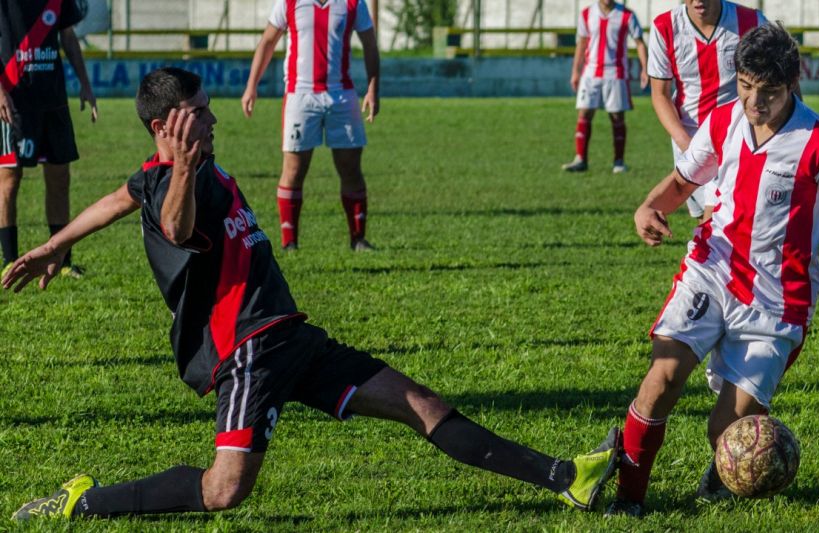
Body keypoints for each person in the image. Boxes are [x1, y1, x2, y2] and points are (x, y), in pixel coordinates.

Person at [4, 68, 619, 522]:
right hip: (246, 351)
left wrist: (55, 243)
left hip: (289, 337)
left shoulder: (171, 171)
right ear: (167, 127)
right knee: (224, 491)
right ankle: (84, 503)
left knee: (420, 404)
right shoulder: (180, 182)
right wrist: (185, 171)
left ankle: (566, 477)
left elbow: (120, 196)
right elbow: (173, 224)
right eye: (200, 113)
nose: (213, 119)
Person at [604, 24, 819, 517]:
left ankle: (724, 472)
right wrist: (648, 206)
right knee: (661, 379)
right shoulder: (723, 122)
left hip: (777, 301)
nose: (753, 102)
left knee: (727, 431)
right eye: (745, 87)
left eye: (767, 92)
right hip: (711, 272)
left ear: (792, 84)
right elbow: (684, 180)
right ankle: (629, 499)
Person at [242, 0, 378, 252]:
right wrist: (252, 86)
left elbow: (370, 43)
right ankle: (289, 243)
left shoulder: (353, 3)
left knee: (350, 167)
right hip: (300, 96)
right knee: (294, 169)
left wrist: (372, 88)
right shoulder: (289, 2)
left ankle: (358, 239)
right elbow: (268, 42)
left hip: (342, 96)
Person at [0, 0, 97, 278]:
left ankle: (63, 261)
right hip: (14, 99)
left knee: (59, 178)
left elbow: (67, 36)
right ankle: (9, 259)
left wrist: (85, 84)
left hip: (54, 101)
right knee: (8, 178)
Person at [647, 0, 766, 222]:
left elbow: (781, 80)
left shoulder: (752, 22)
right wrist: (690, 147)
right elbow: (659, 94)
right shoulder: (665, 27)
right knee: (708, 221)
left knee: (736, 219)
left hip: (740, 138)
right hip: (690, 138)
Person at [562, 0, 648, 174]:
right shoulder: (587, 14)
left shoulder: (627, 15)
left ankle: (619, 162)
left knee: (617, 117)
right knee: (584, 112)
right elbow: (582, 44)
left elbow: (639, 43)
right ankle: (580, 159)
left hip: (615, 74)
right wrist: (575, 72)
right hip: (591, 73)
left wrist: (645, 69)